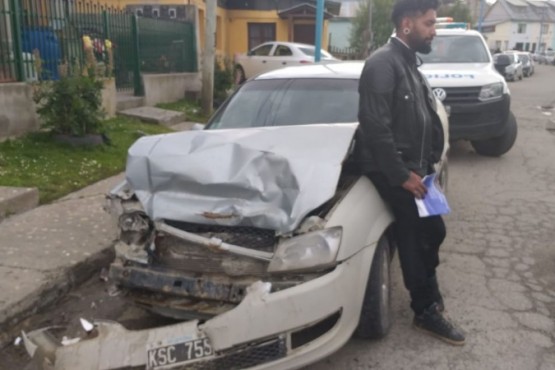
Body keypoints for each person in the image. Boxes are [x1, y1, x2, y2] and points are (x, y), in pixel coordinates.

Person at [356, 0, 465, 345]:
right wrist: (402, 175)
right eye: (429, 24)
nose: (434, 30)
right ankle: (426, 308)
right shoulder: (381, 65)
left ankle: (425, 283)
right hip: (398, 172)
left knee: (435, 230)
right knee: (416, 237)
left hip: (421, 171)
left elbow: (424, 118)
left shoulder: (410, 65)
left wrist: (430, 162)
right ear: (407, 24)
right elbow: (375, 127)